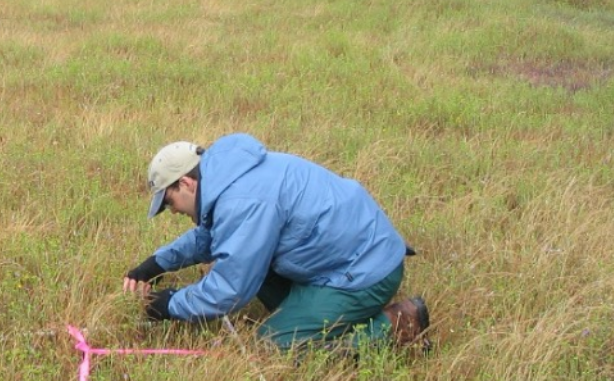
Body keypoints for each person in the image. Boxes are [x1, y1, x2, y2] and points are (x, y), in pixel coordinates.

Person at [122, 133, 429, 352]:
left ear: (186, 183)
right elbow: (213, 236)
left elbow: (230, 290)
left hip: (363, 271)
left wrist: (171, 305)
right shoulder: (229, 177)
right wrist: (157, 263)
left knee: (274, 343)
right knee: (230, 259)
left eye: (169, 201)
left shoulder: (243, 201)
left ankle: (395, 324)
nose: (172, 211)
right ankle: (308, 312)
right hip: (346, 254)